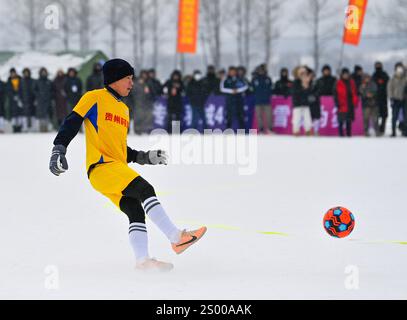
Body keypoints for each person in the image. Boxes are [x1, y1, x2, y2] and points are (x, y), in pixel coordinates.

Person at [49, 59, 206, 271]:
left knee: (135, 210)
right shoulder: (93, 97)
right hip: (101, 167)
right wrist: (59, 147)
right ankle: (177, 237)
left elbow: (121, 150)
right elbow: (72, 122)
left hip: (115, 168)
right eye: (128, 78)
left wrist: (145, 157)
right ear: (114, 79)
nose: (132, 83)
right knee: (145, 189)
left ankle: (143, 261)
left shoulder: (124, 110)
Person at [220, 66, 249, 131]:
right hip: (230, 100)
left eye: (234, 71)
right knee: (229, 115)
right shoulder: (226, 79)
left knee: (240, 115)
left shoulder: (240, 78)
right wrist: (231, 91)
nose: (232, 73)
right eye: (231, 71)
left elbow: (246, 86)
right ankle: (228, 130)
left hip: (239, 99)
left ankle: (242, 130)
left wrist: (238, 90)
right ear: (229, 72)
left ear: (235, 72)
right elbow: (222, 89)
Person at [335, 68, 358, 137]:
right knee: (341, 121)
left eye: (346, 74)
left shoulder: (351, 82)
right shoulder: (338, 83)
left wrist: (355, 102)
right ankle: (341, 134)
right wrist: (337, 103)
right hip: (341, 104)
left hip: (350, 103)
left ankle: (349, 134)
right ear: (342, 75)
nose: (345, 76)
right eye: (344, 74)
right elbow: (335, 94)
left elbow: (355, 92)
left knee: (349, 120)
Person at [291, 66, 313, 136]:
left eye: (305, 73)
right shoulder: (295, 82)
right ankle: (296, 131)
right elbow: (295, 92)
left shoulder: (307, 82)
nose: (303, 75)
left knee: (308, 118)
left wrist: (307, 86)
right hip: (297, 103)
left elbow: (309, 92)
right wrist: (303, 87)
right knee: (296, 119)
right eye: (302, 73)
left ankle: (308, 130)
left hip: (306, 103)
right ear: (298, 74)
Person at [387, 62, 407, 137]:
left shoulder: (405, 78)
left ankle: (405, 131)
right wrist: (391, 98)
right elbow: (389, 89)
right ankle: (393, 132)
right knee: (394, 117)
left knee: (405, 117)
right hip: (395, 100)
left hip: (404, 100)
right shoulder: (392, 79)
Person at [251, 64, 273, 134]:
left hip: (266, 101)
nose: (261, 72)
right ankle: (261, 129)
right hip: (258, 101)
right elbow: (252, 89)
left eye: (262, 70)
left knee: (269, 115)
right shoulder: (255, 79)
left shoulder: (268, 79)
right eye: (260, 70)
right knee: (259, 116)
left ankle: (269, 129)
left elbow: (271, 88)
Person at [133, 70, 154, 134]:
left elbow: (154, 92)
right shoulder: (136, 83)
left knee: (148, 116)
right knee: (138, 116)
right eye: (143, 74)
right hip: (138, 102)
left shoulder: (149, 83)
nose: (144, 76)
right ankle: (137, 129)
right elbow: (133, 92)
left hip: (147, 102)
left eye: (145, 74)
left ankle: (147, 129)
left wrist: (148, 92)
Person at [34, 67, 54, 132]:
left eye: (44, 72)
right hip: (40, 101)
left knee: (47, 115)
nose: (43, 73)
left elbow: (52, 90)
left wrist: (49, 96)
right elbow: (34, 90)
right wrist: (38, 95)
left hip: (48, 101)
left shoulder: (49, 81)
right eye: (42, 72)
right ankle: (41, 128)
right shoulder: (37, 81)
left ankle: (46, 128)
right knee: (40, 115)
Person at [372, 62, 390, 135]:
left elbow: (388, 84)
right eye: (377, 66)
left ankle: (382, 128)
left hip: (384, 98)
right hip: (376, 98)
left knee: (384, 115)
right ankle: (377, 129)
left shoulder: (385, 75)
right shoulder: (374, 75)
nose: (378, 67)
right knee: (376, 115)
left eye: (379, 65)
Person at [6, 68, 24, 133]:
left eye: (13, 72)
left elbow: (22, 88)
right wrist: (13, 96)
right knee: (14, 114)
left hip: (20, 99)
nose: (13, 74)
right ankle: (14, 127)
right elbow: (8, 90)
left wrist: (19, 96)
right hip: (12, 100)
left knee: (20, 114)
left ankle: (20, 127)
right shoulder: (9, 81)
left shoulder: (20, 79)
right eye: (11, 73)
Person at [21, 68, 36, 132]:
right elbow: (20, 91)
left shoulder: (33, 80)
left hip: (32, 99)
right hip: (24, 99)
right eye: (25, 72)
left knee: (33, 114)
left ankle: (33, 128)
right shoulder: (21, 81)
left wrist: (36, 99)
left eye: (27, 72)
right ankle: (25, 127)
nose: (26, 74)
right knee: (24, 114)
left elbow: (35, 90)